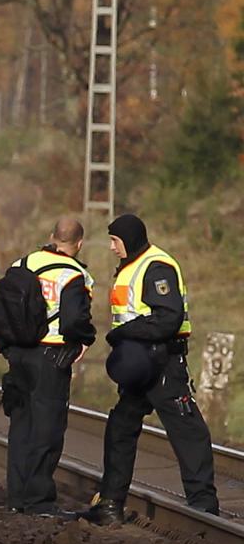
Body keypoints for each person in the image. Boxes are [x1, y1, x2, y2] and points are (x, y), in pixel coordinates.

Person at [83, 214, 219, 524]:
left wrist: (125, 332)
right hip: (139, 365)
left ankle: (204, 506)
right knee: (120, 428)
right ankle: (110, 503)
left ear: (128, 240)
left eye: (115, 241)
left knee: (187, 431)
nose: (111, 247)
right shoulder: (132, 266)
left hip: (163, 365)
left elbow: (168, 318)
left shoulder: (157, 267)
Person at [0, 217, 95, 519]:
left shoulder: (22, 263)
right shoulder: (75, 275)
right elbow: (74, 320)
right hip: (51, 358)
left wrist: (7, 348)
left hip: (19, 355)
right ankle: (39, 500)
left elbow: (3, 305)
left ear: (52, 236)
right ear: (79, 244)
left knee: (21, 426)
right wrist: (84, 341)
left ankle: (16, 497)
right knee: (47, 429)